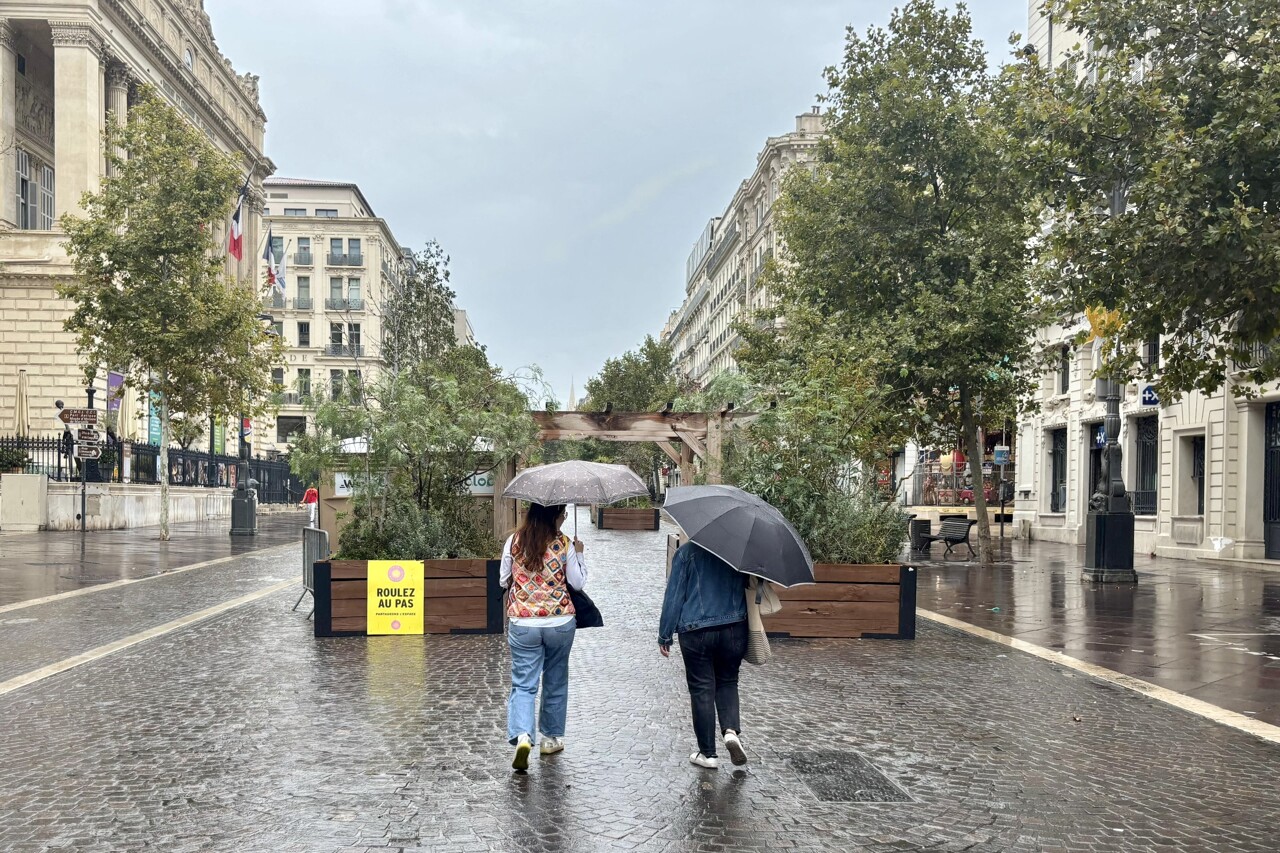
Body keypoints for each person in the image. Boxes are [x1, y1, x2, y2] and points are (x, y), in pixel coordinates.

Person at [501, 503, 586, 771]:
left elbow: (503, 579)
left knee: (524, 683)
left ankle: (524, 736)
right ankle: (550, 739)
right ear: (554, 516)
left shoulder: (514, 541)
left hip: (523, 621)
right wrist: (580, 555)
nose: (564, 519)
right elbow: (578, 583)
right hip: (560, 622)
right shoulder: (564, 543)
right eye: (563, 514)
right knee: (556, 679)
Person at [659, 542, 749, 769]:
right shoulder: (738, 552)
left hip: (696, 630)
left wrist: (665, 634)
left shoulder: (686, 553)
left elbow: (674, 595)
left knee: (702, 688)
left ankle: (708, 754)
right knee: (728, 681)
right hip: (734, 627)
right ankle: (730, 731)